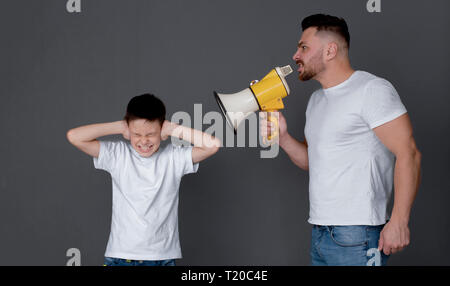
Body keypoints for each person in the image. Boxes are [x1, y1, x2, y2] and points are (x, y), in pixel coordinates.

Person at [260, 14, 421, 266]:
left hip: (358, 234)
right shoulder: (316, 101)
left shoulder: (372, 90)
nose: (295, 55)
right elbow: (313, 161)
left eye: (303, 47)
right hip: (321, 231)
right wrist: (282, 138)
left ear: (330, 50)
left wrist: (399, 221)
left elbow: (409, 153)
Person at [67, 93, 220, 266]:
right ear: (128, 131)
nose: (144, 141)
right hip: (121, 256)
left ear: (161, 131)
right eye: (137, 134)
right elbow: (74, 136)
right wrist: (119, 126)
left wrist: (173, 129)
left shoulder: (173, 158)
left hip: (161, 258)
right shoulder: (117, 155)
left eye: (151, 134)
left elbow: (212, 145)